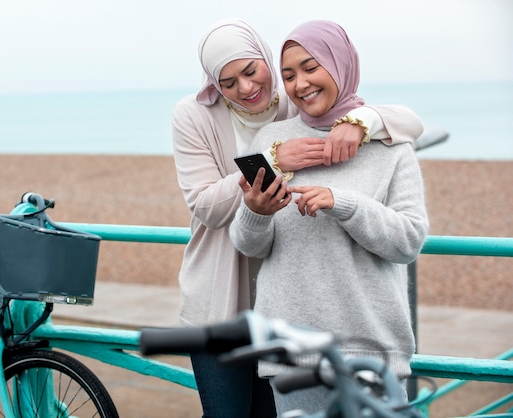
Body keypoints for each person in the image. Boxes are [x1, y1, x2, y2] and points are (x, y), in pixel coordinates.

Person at [173, 18, 424, 418]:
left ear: (265, 63)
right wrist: (269, 167)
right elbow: (212, 210)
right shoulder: (205, 119)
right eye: (229, 82)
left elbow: (402, 124)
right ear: (214, 85)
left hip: (342, 331)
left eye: (252, 70)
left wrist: (363, 123)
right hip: (228, 298)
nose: (246, 88)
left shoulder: (299, 101)